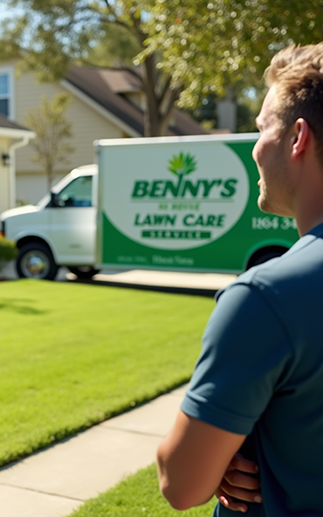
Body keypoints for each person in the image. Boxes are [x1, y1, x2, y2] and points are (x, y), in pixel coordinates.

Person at [156, 42, 323, 515]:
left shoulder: (265, 298)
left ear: (297, 138)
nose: (255, 147)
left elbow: (180, 484)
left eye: (262, 127)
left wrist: (216, 453)